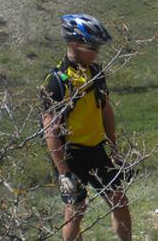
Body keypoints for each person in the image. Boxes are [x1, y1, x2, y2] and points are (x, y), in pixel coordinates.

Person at [40, 14, 131, 241]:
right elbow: (49, 130)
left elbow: (105, 109)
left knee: (119, 200)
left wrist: (114, 147)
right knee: (75, 211)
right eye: (91, 46)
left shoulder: (96, 72)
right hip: (70, 154)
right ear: (73, 44)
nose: (96, 52)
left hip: (96, 149)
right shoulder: (56, 81)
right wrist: (64, 173)